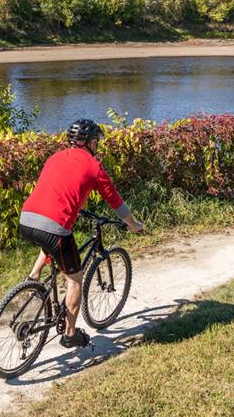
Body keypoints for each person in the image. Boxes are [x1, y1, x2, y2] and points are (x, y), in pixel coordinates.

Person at [18, 118, 143, 349]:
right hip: (53, 227)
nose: (97, 145)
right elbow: (115, 202)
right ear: (91, 143)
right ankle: (70, 335)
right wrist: (133, 224)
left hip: (26, 219)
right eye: (96, 141)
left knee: (53, 239)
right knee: (75, 280)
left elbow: (56, 188)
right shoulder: (94, 167)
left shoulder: (55, 157)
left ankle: (33, 276)